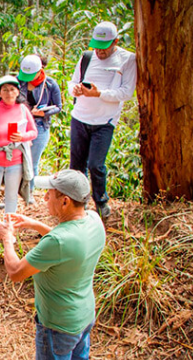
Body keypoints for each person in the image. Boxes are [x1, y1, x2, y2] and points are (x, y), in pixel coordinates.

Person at [0, 169, 106, 360]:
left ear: (65, 201)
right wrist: (34, 224)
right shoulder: (93, 221)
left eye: (50, 194)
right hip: (84, 314)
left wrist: (8, 239)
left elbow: (15, 271)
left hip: (57, 324)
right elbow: (65, 242)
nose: (45, 198)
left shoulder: (57, 243)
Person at [68, 21, 137, 219]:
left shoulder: (127, 59)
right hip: (80, 117)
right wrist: (76, 89)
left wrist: (99, 94)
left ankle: (101, 201)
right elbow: (73, 82)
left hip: (105, 121)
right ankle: (78, 202)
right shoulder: (87, 57)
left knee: (96, 165)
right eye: (96, 46)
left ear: (115, 42)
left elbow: (126, 92)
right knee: (77, 165)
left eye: (104, 47)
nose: (99, 51)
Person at [0, 75, 37, 245]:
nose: (9, 93)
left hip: (15, 161)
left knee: (11, 196)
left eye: (12, 89)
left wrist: (22, 136)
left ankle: (8, 230)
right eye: (5, 90)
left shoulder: (23, 109)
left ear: (18, 92)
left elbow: (33, 132)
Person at [17, 54, 63, 193]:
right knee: (16, 160)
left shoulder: (50, 84)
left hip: (40, 126)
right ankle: (15, 190)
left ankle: (29, 192)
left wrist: (43, 113)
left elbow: (58, 106)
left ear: (39, 71)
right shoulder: (18, 82)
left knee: (32, 161)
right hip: (20, 124)